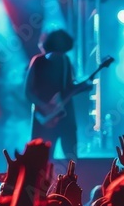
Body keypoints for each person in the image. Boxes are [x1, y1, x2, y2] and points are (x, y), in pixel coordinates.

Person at [25, 29, 87, 161]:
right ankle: (69, 180)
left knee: (44, 159)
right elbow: (28, 91)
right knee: (67, 157)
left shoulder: (52, 61)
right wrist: (45, 106)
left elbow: (28, 91)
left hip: (52, 116)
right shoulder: (45, 61)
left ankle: (61, 180)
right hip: (56, 117)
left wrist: (81, 87)